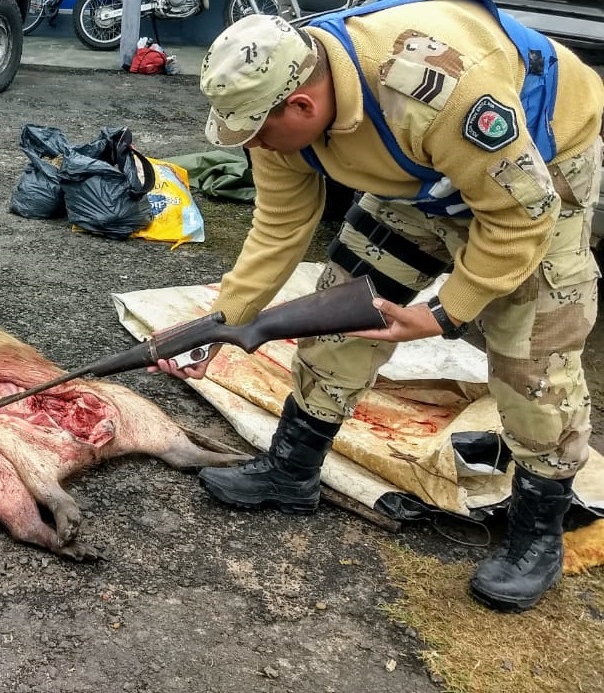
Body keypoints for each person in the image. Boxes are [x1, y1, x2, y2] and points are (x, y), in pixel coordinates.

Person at [162, 0, 603, 612]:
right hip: (420, 180)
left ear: (302, 106)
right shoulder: (272, 111)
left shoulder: (443, 92)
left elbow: (520, 216)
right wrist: (224, 319)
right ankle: (291, 471)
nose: (252, 144)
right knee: (337, 312)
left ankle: (537, 537)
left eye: (256, 131)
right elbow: (280, 225)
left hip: (537, 176)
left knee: (533, 363)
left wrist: (445, 313)